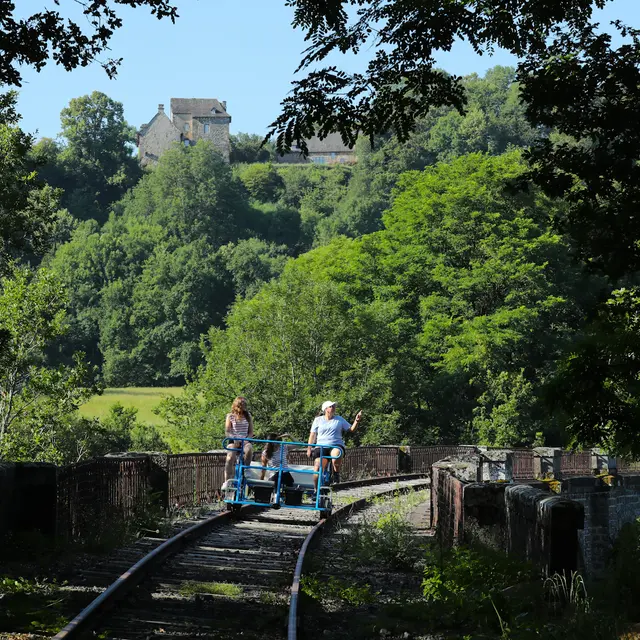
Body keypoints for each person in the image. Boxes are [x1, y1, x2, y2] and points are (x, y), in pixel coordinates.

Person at [307, 401, 362, 488]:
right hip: (321, 446)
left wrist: (356, 421)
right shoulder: (318, 420)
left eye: (333, 406)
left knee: (336, 454)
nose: (333, 408)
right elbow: (312, 435)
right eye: (331, 406)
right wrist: (309, 448)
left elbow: (351, 429)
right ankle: (316, 490)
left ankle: (336, 473)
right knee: (317, 468)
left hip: (335, 445)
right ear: (325, 409)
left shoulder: (339, 419)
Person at [224, 396, 254, 483]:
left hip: (245, 440)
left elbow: (251, 432)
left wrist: (246, 440)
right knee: (230, 458)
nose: (245, 406)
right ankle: (227, 481)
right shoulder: (230, 416)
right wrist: (234, 439)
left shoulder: (248, 416)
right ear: (238, 405)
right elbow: (227, 431)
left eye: (245, 404)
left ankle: (246, 468)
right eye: (243, 404)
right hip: (233, 440)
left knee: (249, 449)